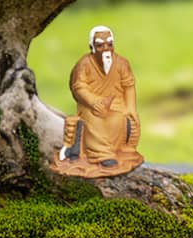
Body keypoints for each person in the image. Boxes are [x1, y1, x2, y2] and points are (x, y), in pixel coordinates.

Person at [57, 26, 142, 176]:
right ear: (92, 47)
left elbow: (129, 86)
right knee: (95, 120)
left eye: (109, 44)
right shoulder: (84, 64)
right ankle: (101, 155)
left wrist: (130, 107)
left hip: (116, 104)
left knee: (120, 119)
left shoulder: (122, 63)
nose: (106, 49)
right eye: (100, 45)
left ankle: (118, 151)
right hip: (90, 106)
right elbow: (79, 87)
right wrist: (94, 101)